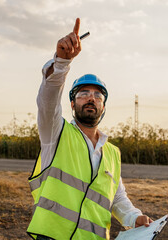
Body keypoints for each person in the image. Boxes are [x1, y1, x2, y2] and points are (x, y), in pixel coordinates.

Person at [27, 18, 152, 240]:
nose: (91, 99)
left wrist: (134, 217)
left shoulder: (112, 153)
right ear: (72, 103)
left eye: (98, 95)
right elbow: (48, 100)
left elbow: (117, 198)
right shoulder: (55, 133)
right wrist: (62, 63)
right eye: (83, 93)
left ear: (103, 107)